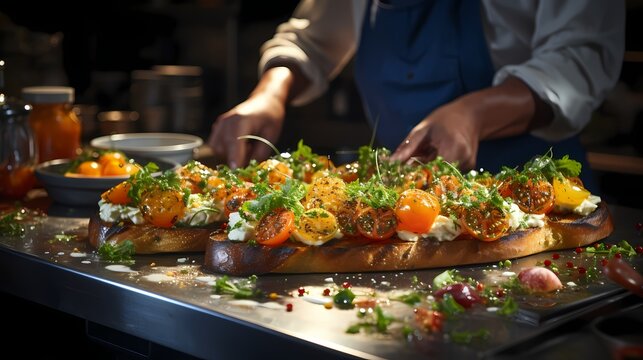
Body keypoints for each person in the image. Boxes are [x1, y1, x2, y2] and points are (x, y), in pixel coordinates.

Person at [208, 0, 624, 192]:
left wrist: (474, 113)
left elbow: (581, 57)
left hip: (538, 192)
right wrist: (270, 93)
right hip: (405, 198)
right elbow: (313, 38)